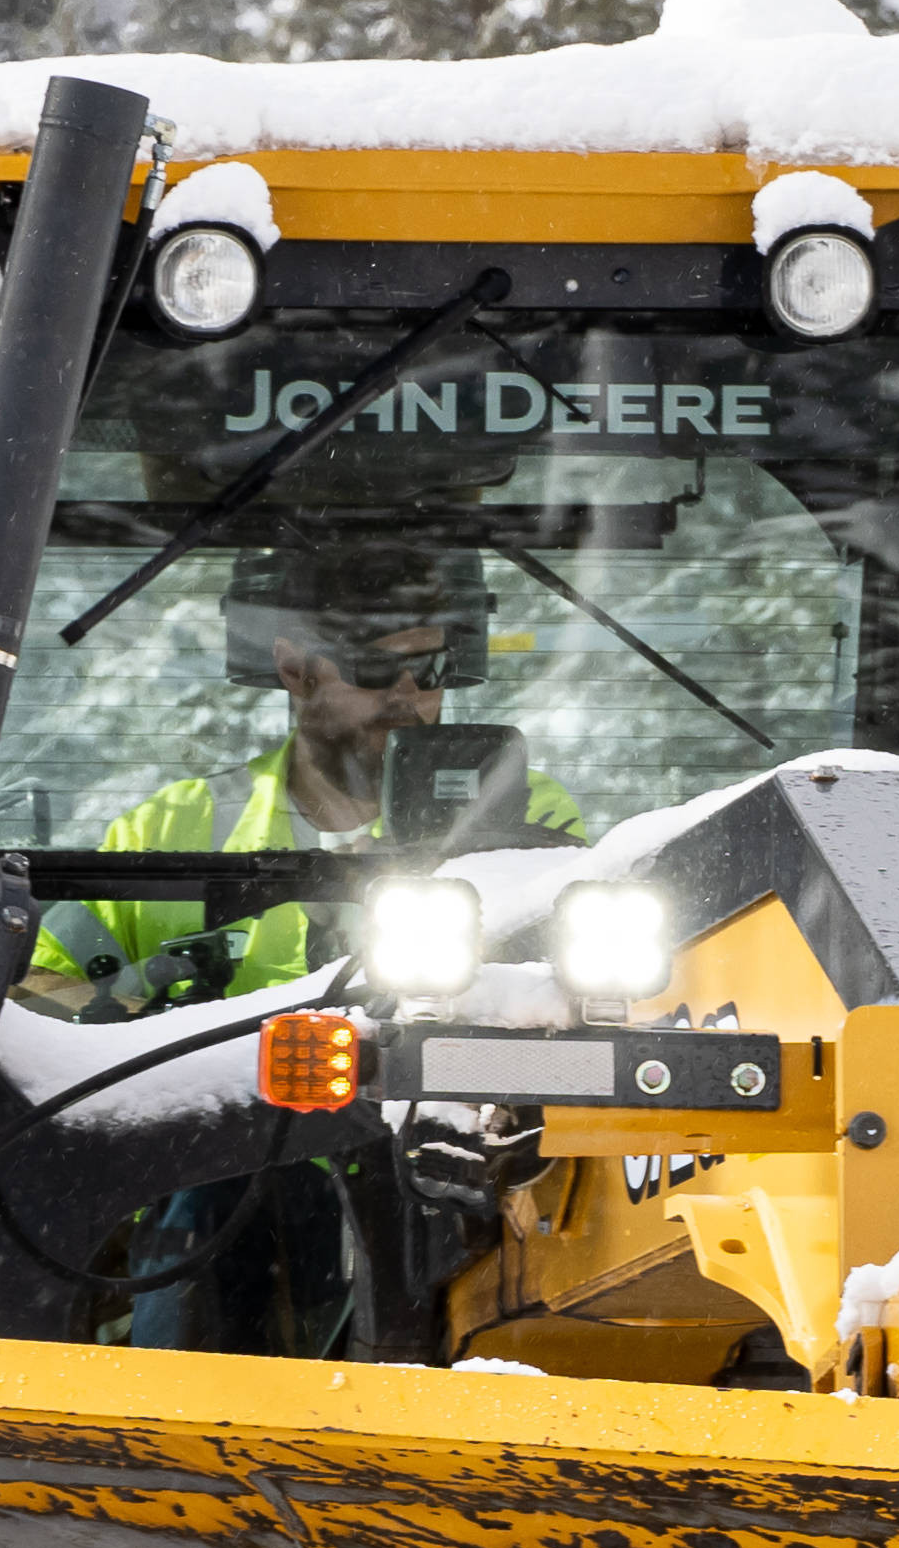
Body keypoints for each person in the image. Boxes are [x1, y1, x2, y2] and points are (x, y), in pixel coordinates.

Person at [45, 550, 589, 1357]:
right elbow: (40, 980)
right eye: (379, 669)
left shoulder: (527, 814)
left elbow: (567, 984)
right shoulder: (176, 830)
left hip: (438, 1177)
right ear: (296, 668)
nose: (412, 699)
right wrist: (130, 1016)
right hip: (223, 1191)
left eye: (434, 669)